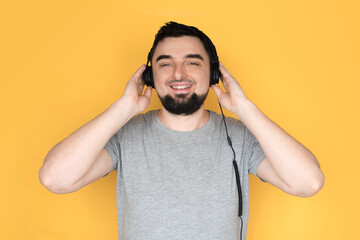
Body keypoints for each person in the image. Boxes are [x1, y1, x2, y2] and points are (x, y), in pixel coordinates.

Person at [39, 21, 324, 240]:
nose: (178, 73)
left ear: (213, 73)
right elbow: (54, 178)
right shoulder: (126, 134)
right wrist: (124, 108)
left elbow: (308, 182)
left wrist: (244, 107)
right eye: (165, 63)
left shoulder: (240, 137)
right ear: (150, 76)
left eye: (192, 62)